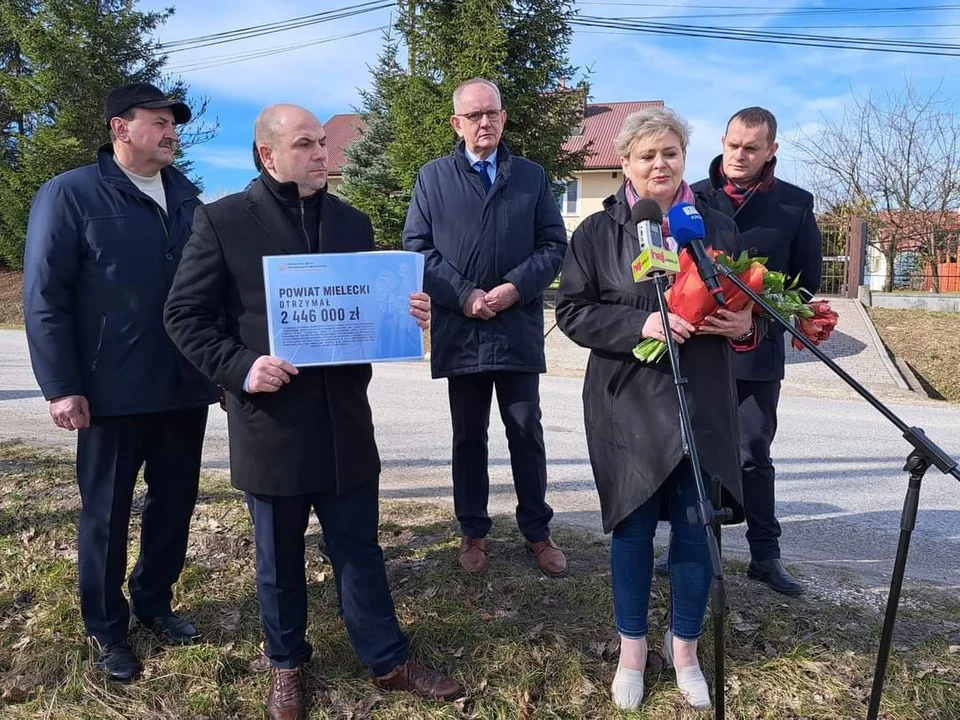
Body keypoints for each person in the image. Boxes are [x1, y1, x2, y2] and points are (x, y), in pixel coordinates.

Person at [163, 104, 460, 719]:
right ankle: (287, 664)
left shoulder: (352, 222)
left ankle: (387, 659)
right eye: (306, 144)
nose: (323, 154)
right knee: (279, 557)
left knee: (359, 547)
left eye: (324, 142)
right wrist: (242, 366)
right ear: (268, 155)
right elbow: (184, 316)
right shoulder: (222, 222)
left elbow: (370, 309)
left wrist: (408, 317)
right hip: (271, 423)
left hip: (345, 420)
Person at [21, 82, 218, 682]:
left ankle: (154, 601)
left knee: (174, 503)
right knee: (105, 511)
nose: (171, 132)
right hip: (110, 392)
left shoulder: (188, 197)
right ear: (120, 128)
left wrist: (225, 369)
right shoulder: (71, 194)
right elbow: (44, 297)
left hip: (184, 385)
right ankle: (107, 628)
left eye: (173, 123)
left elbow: (217, 289)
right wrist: (61, 384)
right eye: (158, 122)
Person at [555, 107, 749, 710]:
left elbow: (745, 301)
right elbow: (571, 312)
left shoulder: (714, 225)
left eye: (669, 153)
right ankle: (632, 650)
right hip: (627, 402)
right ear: (627, 163)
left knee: (697, 528)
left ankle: (684, 647)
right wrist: (638, 320)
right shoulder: (596, 232)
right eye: (647, 155)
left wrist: (745, 324)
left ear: (684, 158)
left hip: (702, 399)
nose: (659, 164)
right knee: (633, 529)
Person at [402, 78, 568, 578]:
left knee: (526, 432)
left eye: (492, 113)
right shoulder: (432, 178)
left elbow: (553, 245)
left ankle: (537, 532)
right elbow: (417, 248)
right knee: (468, 436)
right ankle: (472, 531)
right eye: (473, 116)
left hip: (515, 326)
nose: (485, 123)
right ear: (457, 123)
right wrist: (465, 294)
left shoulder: (532, 177)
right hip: (461, 330)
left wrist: (516, 287)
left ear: (503, 117)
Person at [682, 106, 823, 596]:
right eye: (733, 145)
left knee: (753, 453)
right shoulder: (689, 198)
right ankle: (697, 547)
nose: (739, 156)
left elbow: (805, 290)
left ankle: (765, 555)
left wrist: (754, 318)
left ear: (772, 151)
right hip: (696, 351)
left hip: (757, 354)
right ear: (722, 140)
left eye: (751, 149)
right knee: (696, 451)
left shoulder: (795, 205)